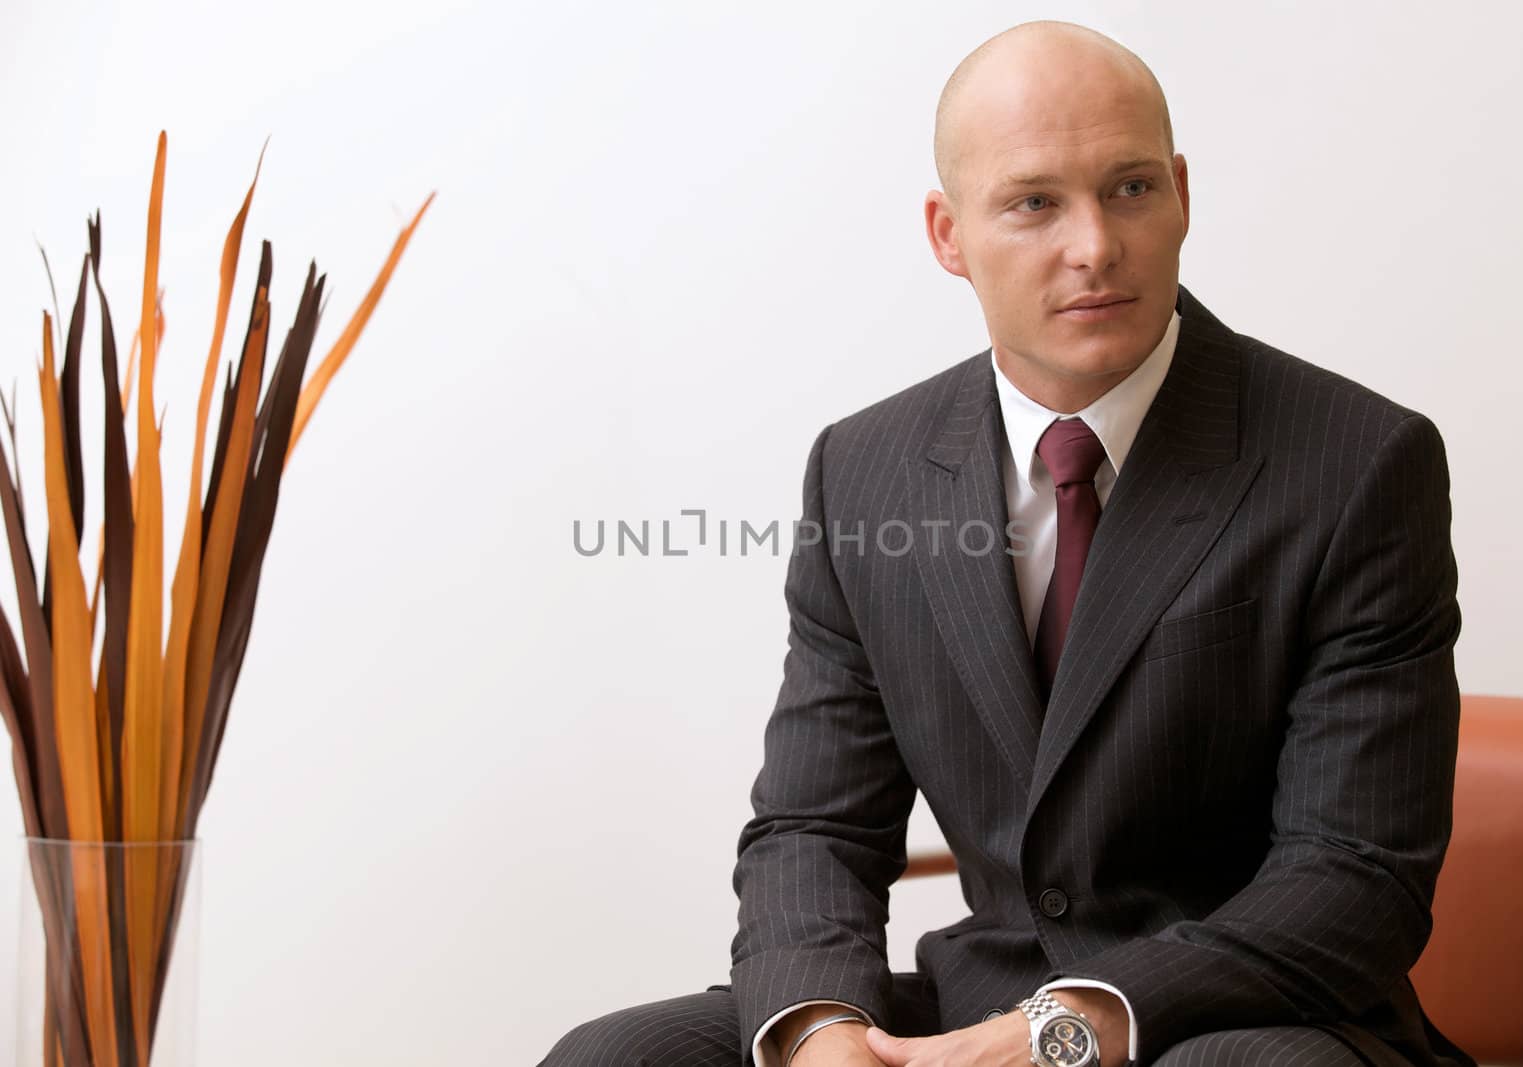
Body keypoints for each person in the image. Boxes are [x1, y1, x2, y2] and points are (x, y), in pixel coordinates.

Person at [543, 19, 1476, 1067]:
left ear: (1179, 191)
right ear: (948, 234)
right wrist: (820, 1030)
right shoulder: (864, 467)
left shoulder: (1355, 460)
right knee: (613, 1054)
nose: (1094, 244)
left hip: (1242, 1016)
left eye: (1128, 188)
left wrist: (1059, 1030)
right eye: (1034, 202)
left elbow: (1351, 874)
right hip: (971, 991)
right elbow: (814, 825)